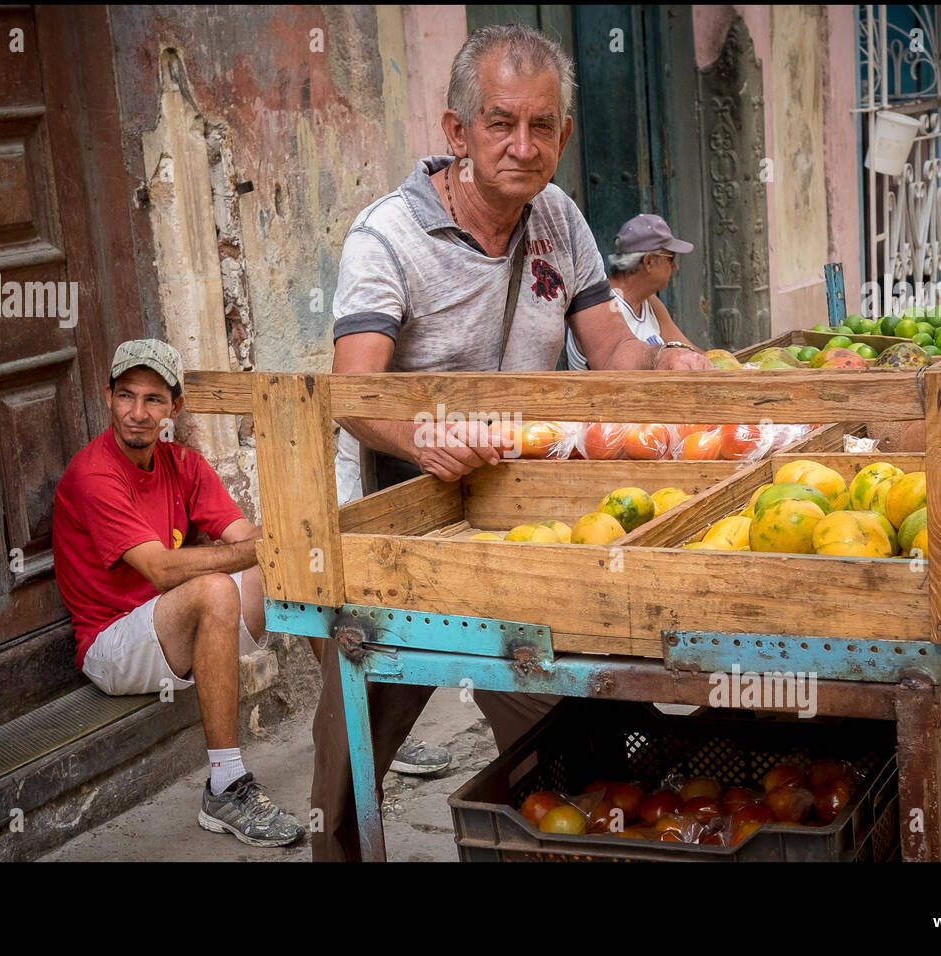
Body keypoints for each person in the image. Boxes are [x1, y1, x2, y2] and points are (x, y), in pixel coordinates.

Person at [317, 24, 712, 862]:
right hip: (406, 538)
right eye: (501, 123)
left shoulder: (558, 220)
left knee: (570, 733)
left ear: (564, 135)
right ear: (457, 132)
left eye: (542, 127)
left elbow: (610, 353)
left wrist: (672, 364)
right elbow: (353, 390)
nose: (523, 146)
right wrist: (426, 438)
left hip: (520, 529)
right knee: (352, 769)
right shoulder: (386, 237)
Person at [51, 339, 304, 847]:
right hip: (112, 646)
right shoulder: (93, 474)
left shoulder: (182, 465)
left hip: (175, 632)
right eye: (126, 396)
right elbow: (163, 571)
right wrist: (262, 550)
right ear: (108, 397)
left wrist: (290, 544)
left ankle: (350, 732)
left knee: (295, 572)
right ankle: (225, 786)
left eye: (153, 399)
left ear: (175, 408)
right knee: (213, 588)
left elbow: (246, 538)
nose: (137, 413)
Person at [564, 213, 703, 370]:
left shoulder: (650, 302)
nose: (675, 266)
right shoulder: (599, 307)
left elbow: (691, 352)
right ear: (648, 261)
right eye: (671, 258)